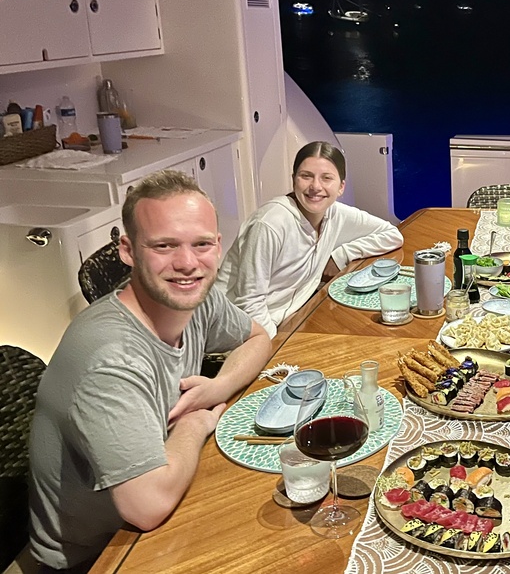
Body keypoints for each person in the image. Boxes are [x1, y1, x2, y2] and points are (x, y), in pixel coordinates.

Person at [28, 170, 272, 573]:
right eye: (164, 245)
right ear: (128, 250)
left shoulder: (194, 299)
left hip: (159, 504)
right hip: (98, 555)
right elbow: (147, 507)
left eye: (201, 244)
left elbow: (257, 337)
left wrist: (218, 386)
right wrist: (194, 424)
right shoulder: (110, 359)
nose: (187, 263)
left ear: (218, 246)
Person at [216, 141, 403, 337]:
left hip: (288, 319)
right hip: (235, 334)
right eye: (306, 176)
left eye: (327, 178)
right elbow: (249, 304)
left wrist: (340, 255)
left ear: (341, 187)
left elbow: (391, 235)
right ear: (293, 180)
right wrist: (273, 346)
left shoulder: (335, 213)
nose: (315, 186)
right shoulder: (269, 224)